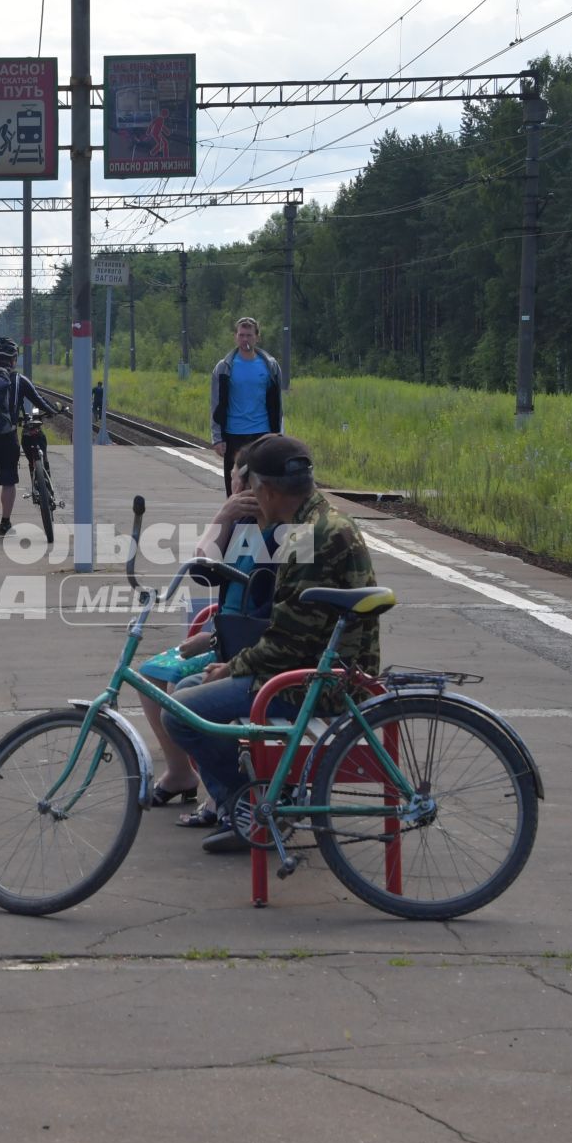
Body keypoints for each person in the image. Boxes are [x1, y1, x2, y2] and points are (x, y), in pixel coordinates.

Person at [161, 435, 382, 853]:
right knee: (189, 692)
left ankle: (253, 806)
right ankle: (246, 807)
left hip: (317, 684)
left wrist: (232, 667)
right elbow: (290, 631)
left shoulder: (308, 538)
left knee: (180, 712)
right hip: (318, 669)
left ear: (266, 489)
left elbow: (286, 642)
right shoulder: (319, 522)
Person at [135, 443, 269, 805]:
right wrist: (223, 517)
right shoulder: (242, 522)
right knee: (151, 675)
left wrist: (212, 639)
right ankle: (180, 771)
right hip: (227, 635)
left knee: (181, 692)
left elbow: (266, 609)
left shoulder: (279, 529)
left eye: (234, 481)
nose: (232, 489)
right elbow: (203, 573)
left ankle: (225, 794)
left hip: (241, 647)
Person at [0, 338, 60, 536]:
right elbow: (39, 400)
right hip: (7, 437)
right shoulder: (19, 380)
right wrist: (53, 411)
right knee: (8, 480)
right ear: (14, 359)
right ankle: (5, 523)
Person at [208, 316, 284, 494]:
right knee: (236, 486)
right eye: (241, 335)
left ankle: (261, 520)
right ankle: (236, 521)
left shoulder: (270, 366)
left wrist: (279, 436)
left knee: (263, 486)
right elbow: (215, 404)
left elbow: (278, 405)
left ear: (257, 337)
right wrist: (217, 438)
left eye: (249, 335)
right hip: (234, 434)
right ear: (235, 337)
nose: (245, 340)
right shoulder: (224, 367)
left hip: (262, 433)